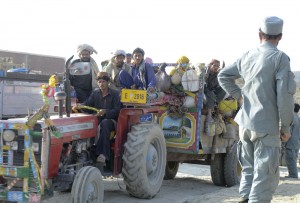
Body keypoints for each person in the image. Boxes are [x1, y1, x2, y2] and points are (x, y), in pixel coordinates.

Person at [217, 16, 295, 203]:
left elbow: (223, 75)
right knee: (265, 176)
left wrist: (240, 96)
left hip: (245, 124)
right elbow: (284, 98)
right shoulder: (280, 58)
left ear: (259, 34)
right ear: (280, 37)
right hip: (266, 127)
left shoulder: (247, 56)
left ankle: (245, 199)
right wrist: (286, 128)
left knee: (249, 170)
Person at [72, 72, 122, 165]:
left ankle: (102, 154)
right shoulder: (95, 93)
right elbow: (87, 104)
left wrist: (106, 112)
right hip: (97, 120)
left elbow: (118, 111)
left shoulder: (115, 94)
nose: (101, 84)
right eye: (99, 82)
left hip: (112, 121)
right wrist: (79, 106)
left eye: (103, 81)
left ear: (108, 83)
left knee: (105, 123)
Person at [204, 59, 226, 135]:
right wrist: (206, 73)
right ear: (210, 65)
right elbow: (204, 83)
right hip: (204, 90)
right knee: (211, 94)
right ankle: (209, 114)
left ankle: (215, 102)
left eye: (218, 66)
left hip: (212, 90)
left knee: (224, 90)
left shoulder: (216, 74)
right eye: (215, 65)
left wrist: (219, 74)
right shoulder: (205, 71)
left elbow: (215, 85)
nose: (216, 67)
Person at [284, 103, 300, 178]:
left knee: (290, 160)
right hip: (297, 142)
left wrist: (283, 142)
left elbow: (288, 132)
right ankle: (293, 174)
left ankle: (293, 175)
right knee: (294, 159)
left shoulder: (291, 118)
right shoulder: (298, 118)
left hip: (290, 142)